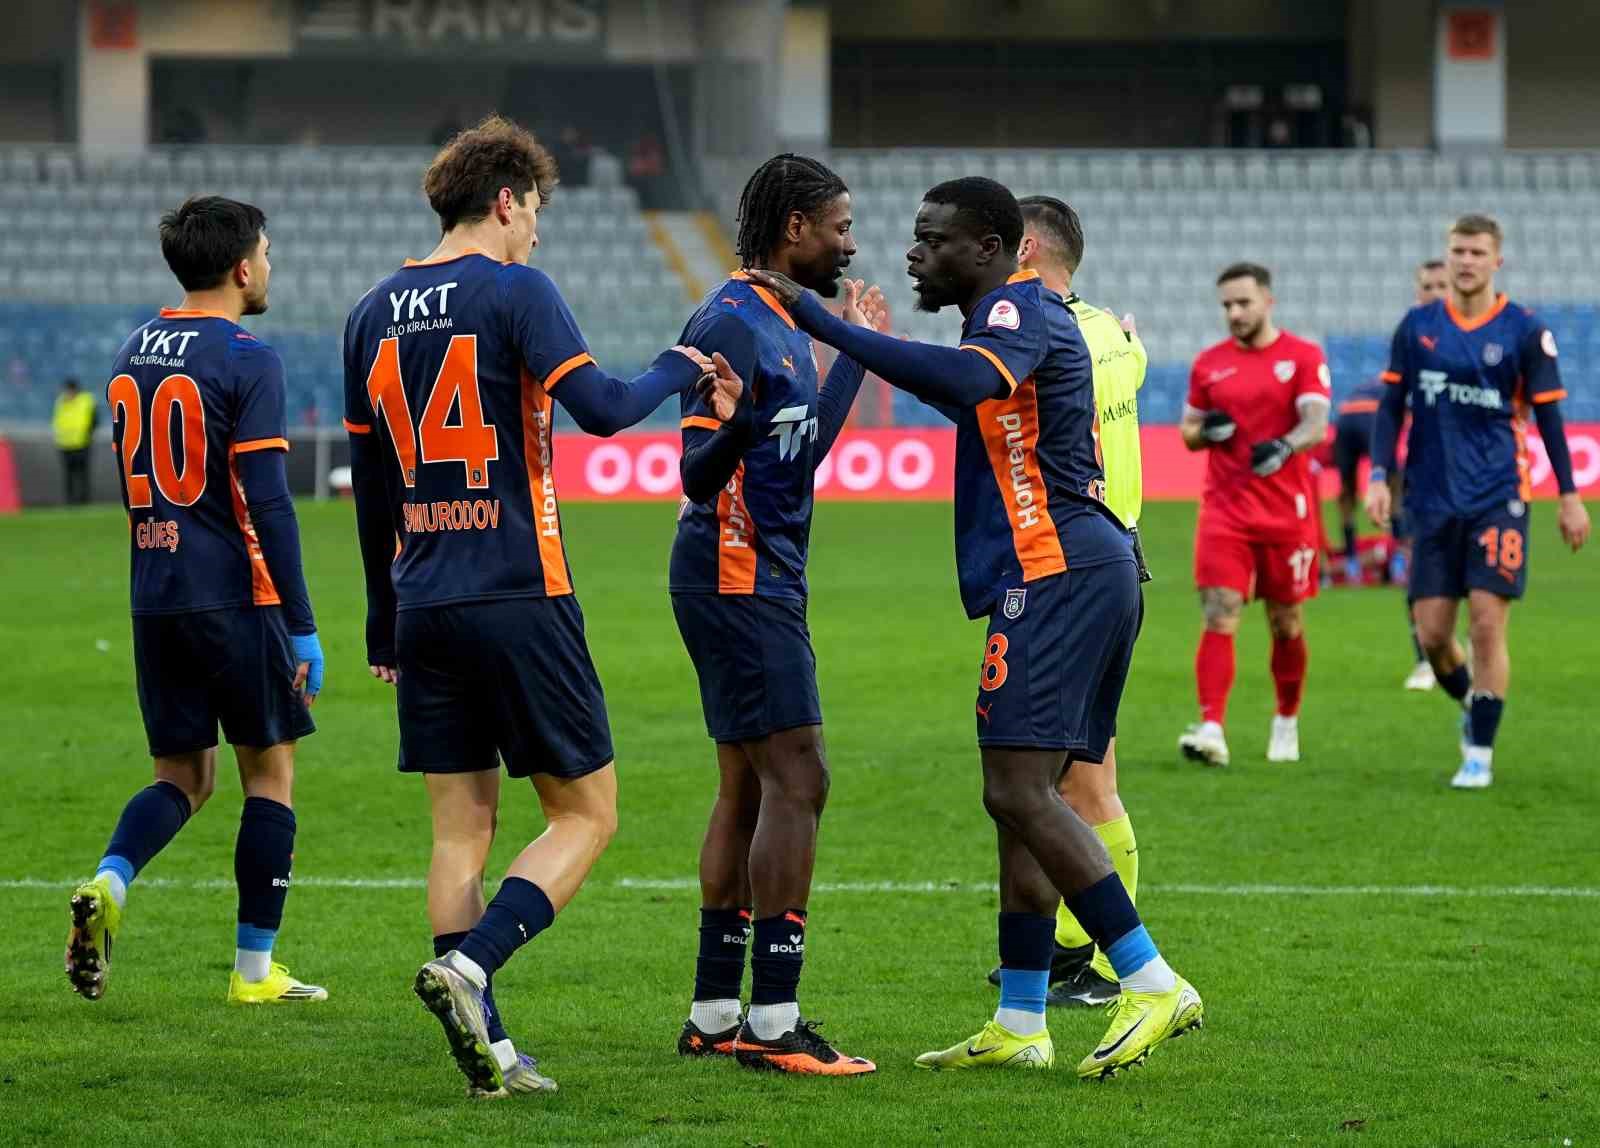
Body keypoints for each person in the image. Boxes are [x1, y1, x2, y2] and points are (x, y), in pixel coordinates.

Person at [748, 177, 1202, 1080]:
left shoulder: (1016, 312)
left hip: (1058, 573)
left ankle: (1150, 978)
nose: (914, 253)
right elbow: (968, 391)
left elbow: (964, 381)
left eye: (933, 239)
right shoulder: (1004, 317)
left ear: (994, 248)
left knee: (1019, 791)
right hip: (1080, 568)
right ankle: (1022, 1019)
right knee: (1021, 799)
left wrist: (830, 324)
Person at [343, 115, 734, 1098]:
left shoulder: (368, 313)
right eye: (538, 214)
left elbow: (377, 489)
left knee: (457, 827)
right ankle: (472, 969)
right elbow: (602, 409)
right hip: (519, 587)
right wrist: (678, 367)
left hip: (422, 595)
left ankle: (489, 1051)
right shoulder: (515, 290)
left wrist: (381, 618)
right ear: (507, 199)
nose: (539, 235)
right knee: (588, 811)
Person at [66, 196, 327, 1006]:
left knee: (181, 775)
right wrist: (303, 624)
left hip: (155, 593)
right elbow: (269, 504)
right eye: (269, 253)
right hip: (236, 596)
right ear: (243, 266)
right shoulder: (249, 358)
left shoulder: (128, 353)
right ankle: (254, 972)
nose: (272, 267)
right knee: (269, 775)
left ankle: (112, 878)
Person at [671, 154, 884, 1076]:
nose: (850, 242)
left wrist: (849, 354)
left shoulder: (790, 323)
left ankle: (716, 1013)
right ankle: (772, 1022)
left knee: (749, 784)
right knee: (802, 777)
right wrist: (733, 428)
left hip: (759, 570)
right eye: (839, 225)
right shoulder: (728, 320)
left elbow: (802, 453)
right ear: (794, 228)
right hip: (736, 570)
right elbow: (693, 471)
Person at [974, 194, 1148, 1009]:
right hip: (1116, 546)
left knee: (1071, 784)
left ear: (1028, 244)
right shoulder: (1112, 332)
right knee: (1083, 776)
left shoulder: (1044, 329)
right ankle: (1053, 980)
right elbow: (1135, 374)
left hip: (1067, 550)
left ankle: (1111, 962)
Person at [1367, 214, 1590, 790]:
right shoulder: (1417, 328)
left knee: (1488, 626)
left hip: (1500, 496)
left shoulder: (1524, 330)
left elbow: (1549, 415)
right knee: (1435, 634)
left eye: (1476, 252)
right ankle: (1475, 704)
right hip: (1431, 497)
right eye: (1457, 251)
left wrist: (1569, 497)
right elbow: (1391, 408)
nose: (1465, 261)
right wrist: (1378, 477)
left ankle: (1480, 754)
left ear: (1497, 261)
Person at [1176, 263, 1331, 766]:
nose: (1234, 313)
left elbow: (1315, 421)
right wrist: (1209, 432)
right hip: (1225, 510)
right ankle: (1212, 727)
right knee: (1220, 611)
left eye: (1243, 303)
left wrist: (1285, 447)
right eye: (1226, 305)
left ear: (1268, 301)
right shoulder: (1209, 364)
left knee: (1286, 621)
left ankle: (1286, 719)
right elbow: (1189, 430)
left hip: (1288, 512)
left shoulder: (1302, 356)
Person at [1333, 259, 1449, 690]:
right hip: (1426, 471)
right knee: (1419, 560)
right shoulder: (1412, 340)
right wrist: (1381, 474)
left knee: (1473, 579)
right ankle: (1425, 659)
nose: (1435, 292)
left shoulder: (1486, 337)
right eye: (1427, 285)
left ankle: (1469, 657)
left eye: (1443, 284)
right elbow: (1392, 409)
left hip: (1475, 477)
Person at [54, 377, 97, 505]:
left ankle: (84, 500)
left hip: (82, 443)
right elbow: (58, 421)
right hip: (65, 444)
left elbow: (94, 420)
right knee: (68, 475)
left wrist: (88, 434)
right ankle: (70, 501)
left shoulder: (86, 401)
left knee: (82, 474)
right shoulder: (60, 402)